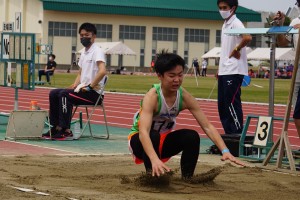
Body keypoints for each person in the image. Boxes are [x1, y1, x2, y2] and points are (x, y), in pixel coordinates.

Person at [128, 51, 244, 179]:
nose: (177, 80)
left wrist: (225, 150)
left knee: (191, 136)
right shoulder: (152, 97)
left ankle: (187, 178)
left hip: (163, 142)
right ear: (160, 76)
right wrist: (154, 159)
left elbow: (207, 126)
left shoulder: (184, 97)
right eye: (171, 75)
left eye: (180, 75)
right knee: (152, 135)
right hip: (140, 142)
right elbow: (144, 132)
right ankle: (152, 177)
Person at [42, 23, 107, 140]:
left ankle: (65, 129)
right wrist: (74, 85)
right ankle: (55, 127)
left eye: (86, 35)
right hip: (82, 89)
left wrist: (90, 87)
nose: (83, 37)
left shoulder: (97, 51)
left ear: (94, 36)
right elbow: (80, 72)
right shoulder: (84, 52)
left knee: (64, 95)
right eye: (81, 35)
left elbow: (102, 71)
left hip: (94, 94)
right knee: (54, 93)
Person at [217, 0, 252, 135]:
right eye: (220, 8)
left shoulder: (236, 23)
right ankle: (229, 134)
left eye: (225, 7)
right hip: (224, 70)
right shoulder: (225, 24)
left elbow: (247, 37)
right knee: (222, 105)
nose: (222, 10)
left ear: (233, 8)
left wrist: (237, 48)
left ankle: (237, 134)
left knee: (231, 104)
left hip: (234, 69)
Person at [274, 0, 300, 138]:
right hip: (298, 67)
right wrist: (280, 26)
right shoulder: (294, 22)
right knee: (297, 111)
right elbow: (283, 42)